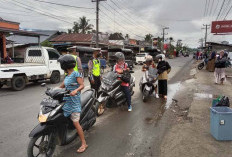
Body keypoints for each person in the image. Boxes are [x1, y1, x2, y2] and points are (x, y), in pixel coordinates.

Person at [58, 54, 88, 153]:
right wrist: (52, 90)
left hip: (74, 102)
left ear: (65, 65)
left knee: (76, 123)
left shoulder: (75, 74)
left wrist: (76, 90)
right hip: (66, 101)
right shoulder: (67, 75)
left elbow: (82, 85)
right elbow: (61, 86)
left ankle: (84, 143)